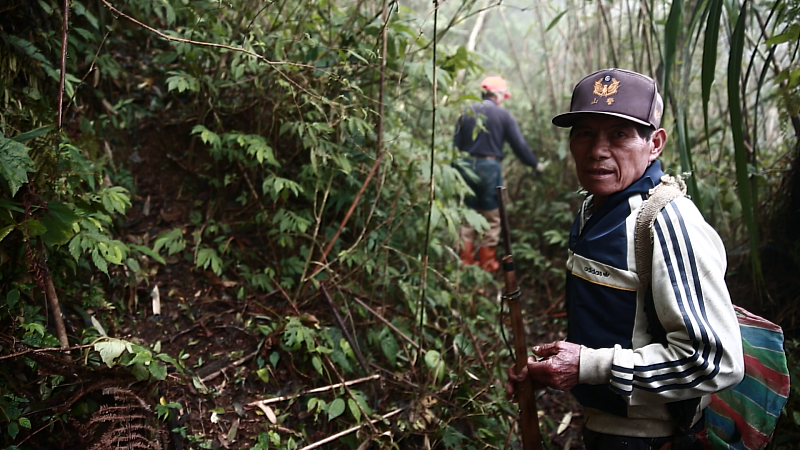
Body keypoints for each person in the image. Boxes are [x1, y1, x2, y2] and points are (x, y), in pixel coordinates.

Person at [505, 68, 744, 449]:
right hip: (603, 425)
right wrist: (558, 369)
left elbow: (716, 361)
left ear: (655, 143)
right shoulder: (592, 209)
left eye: (619, 134)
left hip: (651, 437)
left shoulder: (665, 222)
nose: (597, 149)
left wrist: (588, 366)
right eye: (585, 133)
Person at [453, 76, 543, 271]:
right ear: (497, 95)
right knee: (492, 217)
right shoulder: (503, 116)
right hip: (490, 168)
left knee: (468, 213)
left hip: (465, 167)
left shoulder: (466, 112)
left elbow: (455, 146)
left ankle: (465, 263)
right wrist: (535, 164)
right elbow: (519, 146)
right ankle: (486, 264)